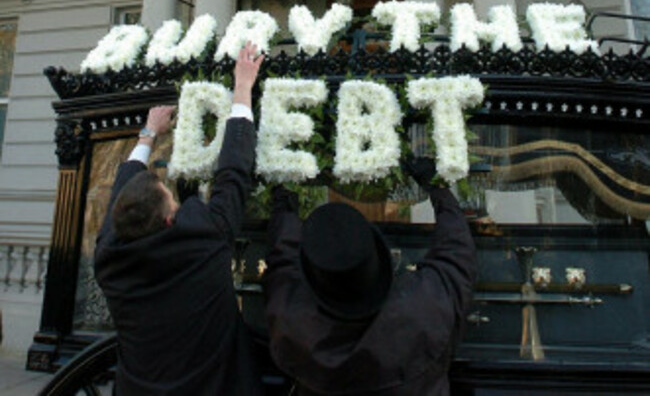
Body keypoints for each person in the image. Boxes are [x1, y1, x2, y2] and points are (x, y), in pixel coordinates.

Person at [94, 41, 264, 396]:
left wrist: (148, 134)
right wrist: (243, 86)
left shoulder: (109, 258)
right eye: (173, 200)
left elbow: (120, 197)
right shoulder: (204, 241)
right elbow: (233, 171)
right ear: (171, 221)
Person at [263, 159, 477, 396]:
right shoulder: (425, 308)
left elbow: (282, 260)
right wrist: (438, 190)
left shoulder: (293, 322)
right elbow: (456, 253)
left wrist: (284, 198)